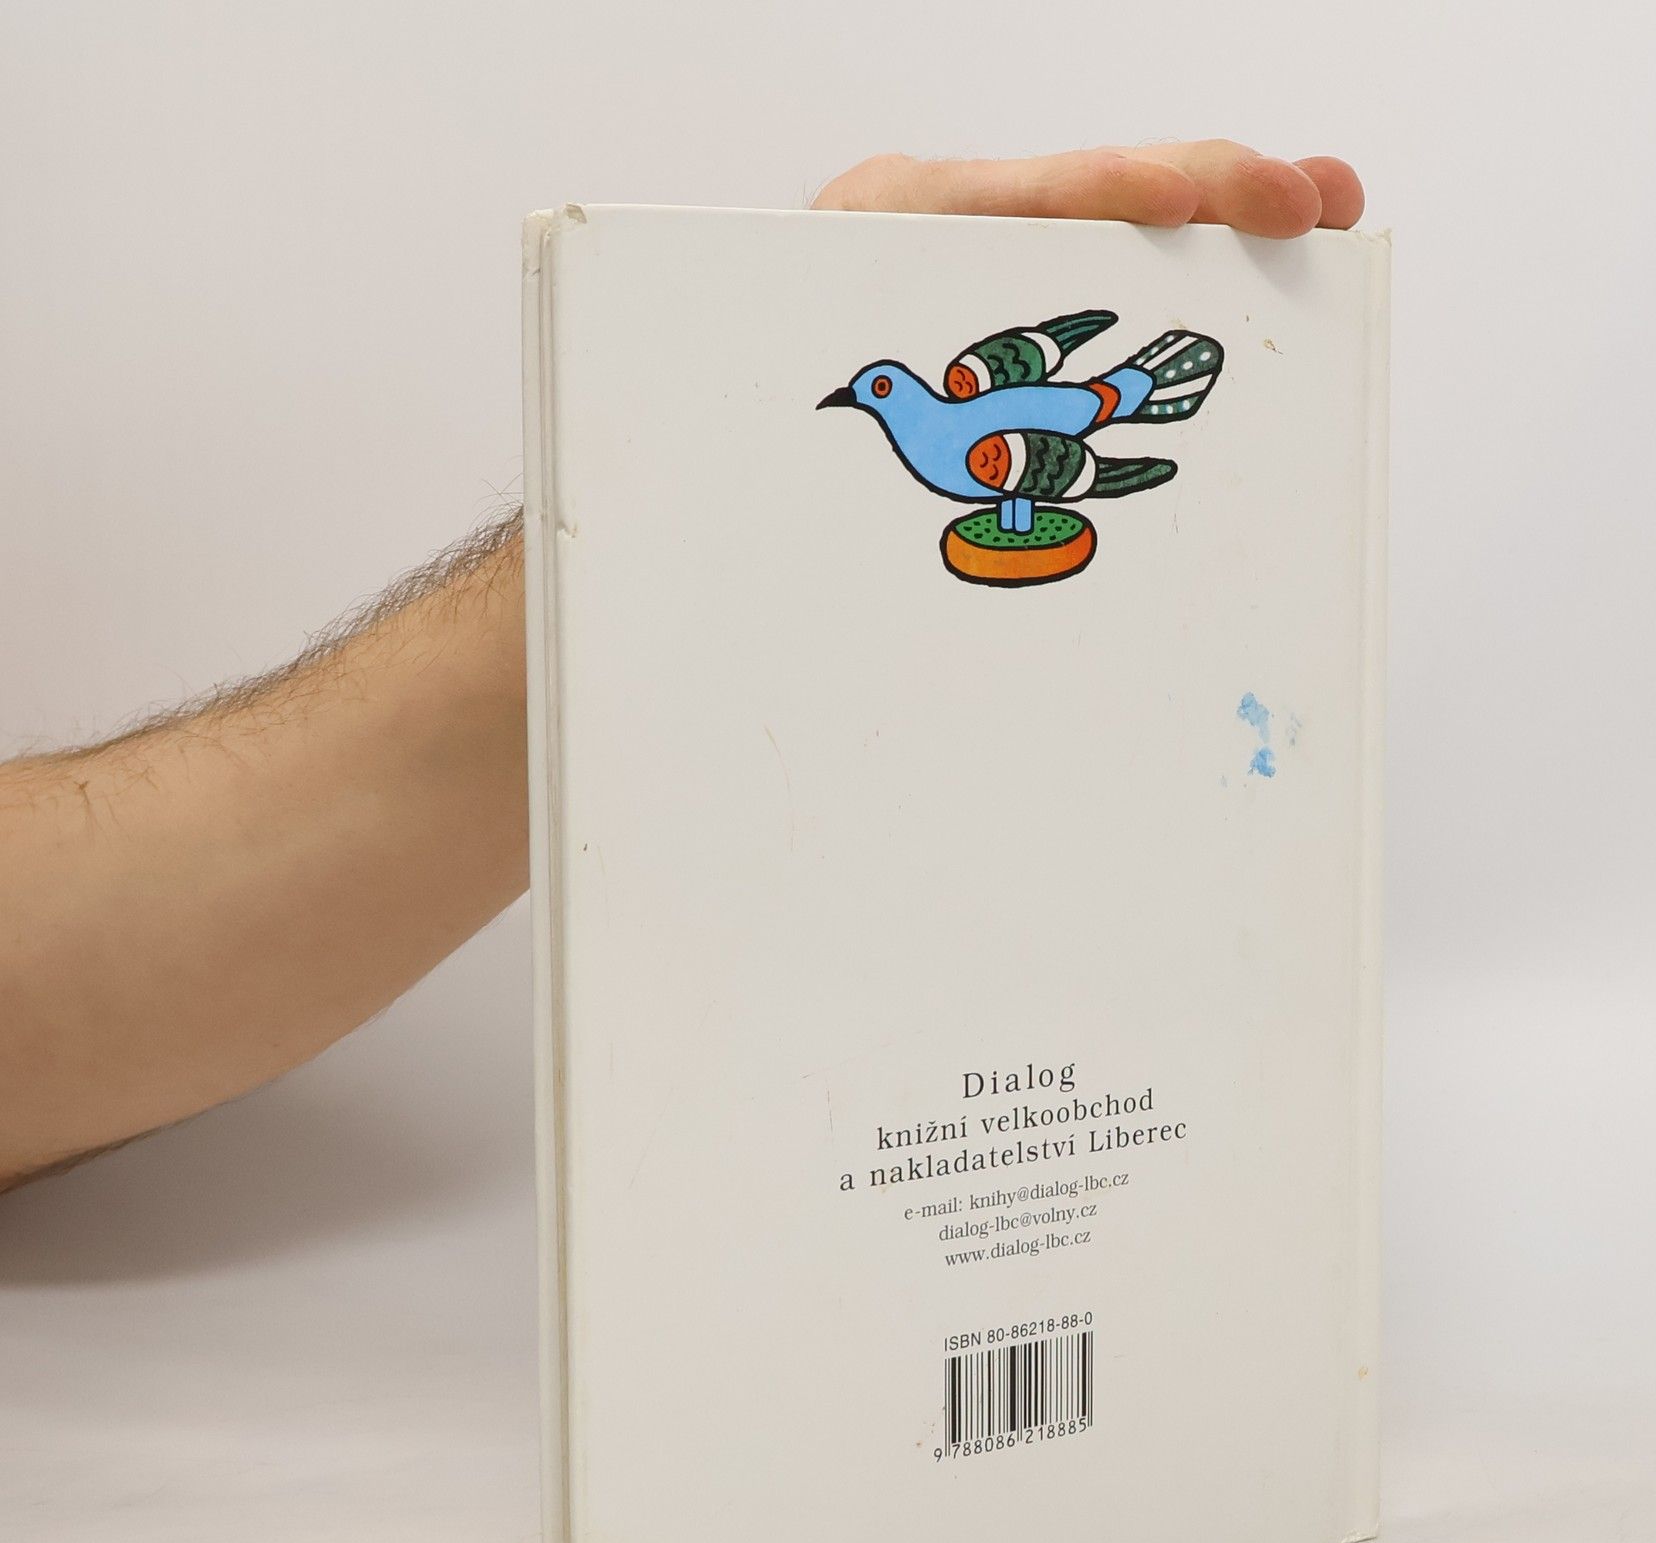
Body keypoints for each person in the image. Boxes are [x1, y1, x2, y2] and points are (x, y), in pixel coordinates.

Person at [0, 142, 1364, 1192]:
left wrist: (678, 518)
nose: (871, 399)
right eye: (875, 391)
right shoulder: (945, 433)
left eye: (874, 390)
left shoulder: (966, 428)